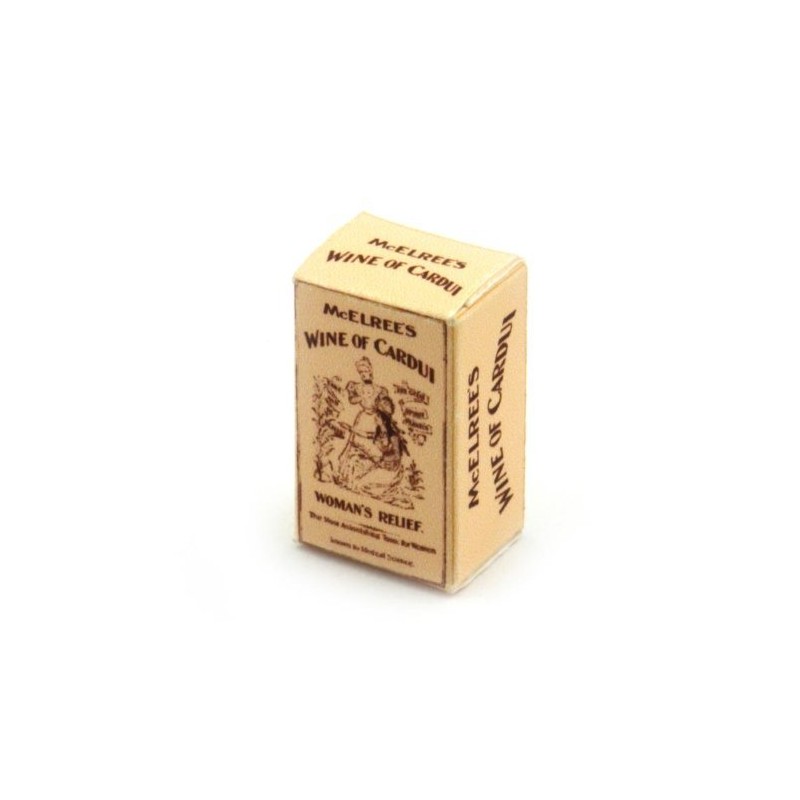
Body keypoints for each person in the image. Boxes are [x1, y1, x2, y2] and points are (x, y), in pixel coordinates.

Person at [337, 357, 389, 488]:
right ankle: (348, 474)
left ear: (370, 371)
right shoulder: (357, 387)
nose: (363, 374)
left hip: (374, 419)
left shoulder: (379, 389)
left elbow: (386, 406)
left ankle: (370, 472)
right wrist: (360, 397)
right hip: (362, 418)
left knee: (372, 445)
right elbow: (352, 400)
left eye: (365, 371)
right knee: (355, 442)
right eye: (361, 372)